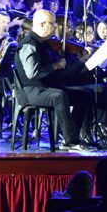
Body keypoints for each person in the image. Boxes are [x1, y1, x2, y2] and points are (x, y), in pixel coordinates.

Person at [14, 10, 84, 150]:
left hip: (44, 87)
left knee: (84, 96)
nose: (54, 27)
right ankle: (71, 141)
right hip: (30, 90)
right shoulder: (29, 44)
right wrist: (56, 65)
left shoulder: (45, 43)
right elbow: (32, 73)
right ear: (41, 24)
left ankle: (72, 135)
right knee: (59, 96)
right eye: (52, 24)